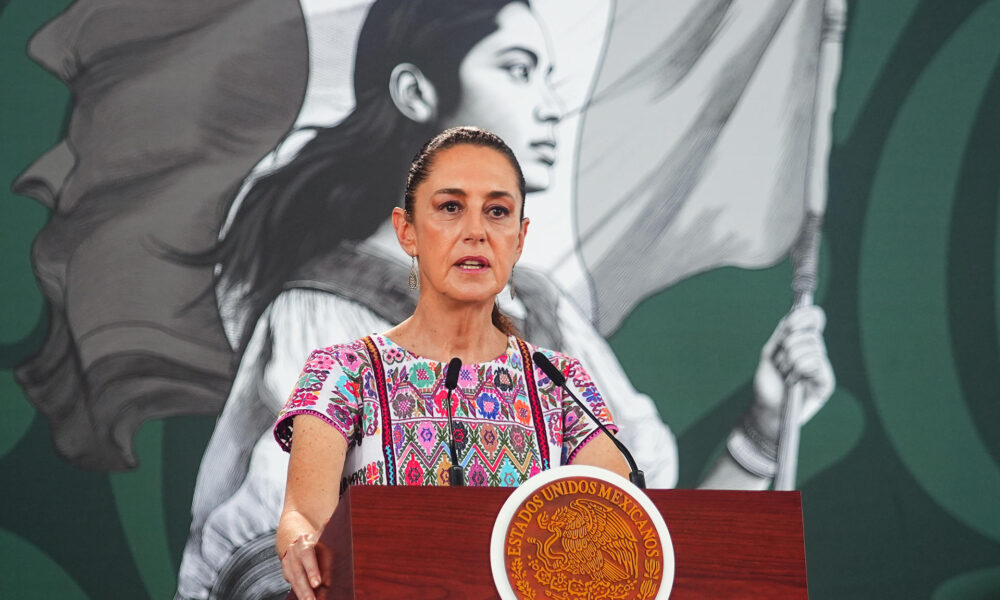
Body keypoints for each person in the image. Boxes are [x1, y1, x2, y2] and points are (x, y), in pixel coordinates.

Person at [176, 0, 833, 597]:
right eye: (518, 69)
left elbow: (651, 557)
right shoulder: (330, 333)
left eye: (498, 214)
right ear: (417, 92)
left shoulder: (554, 342)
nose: (551, 105)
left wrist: (764, 428)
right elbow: (267, 561)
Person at [276, 126, 628, 598]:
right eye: (450, 208)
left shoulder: (561, 383)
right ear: (407, 231)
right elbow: (305, 514)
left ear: (519, 239)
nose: (476, 232)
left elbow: (618, 520)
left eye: (498, 212)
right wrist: (302, 542)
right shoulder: (344, 371)